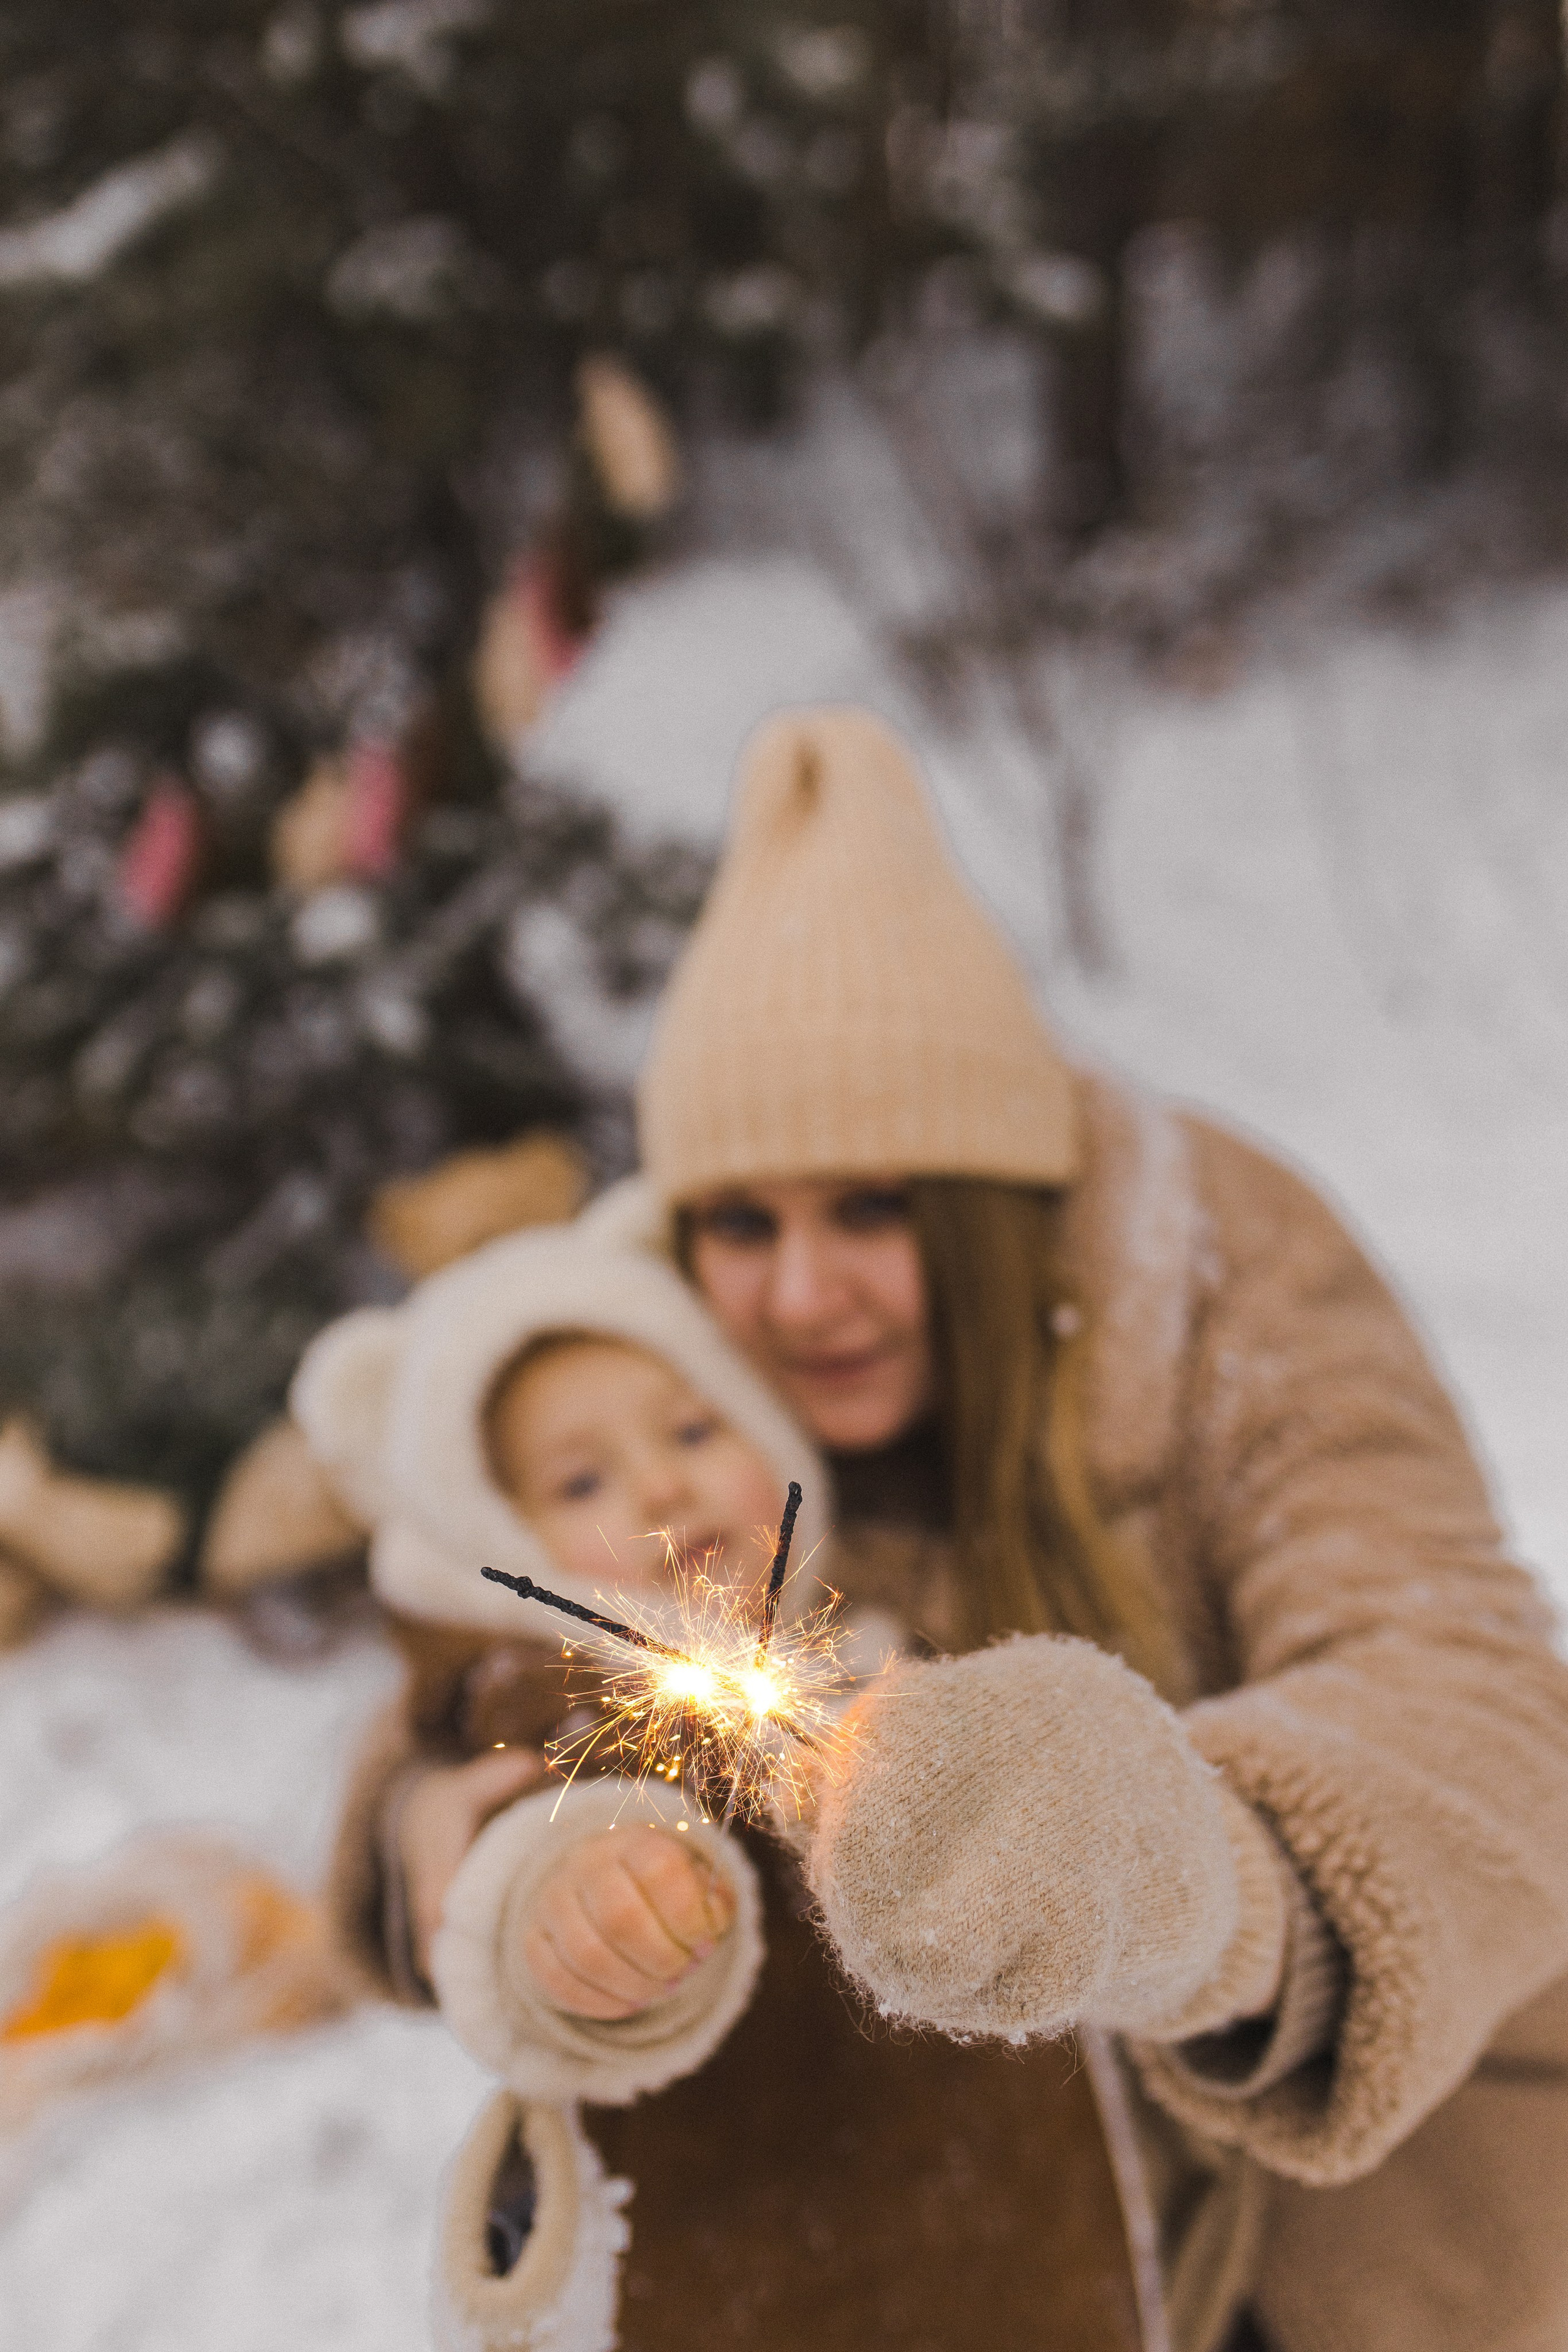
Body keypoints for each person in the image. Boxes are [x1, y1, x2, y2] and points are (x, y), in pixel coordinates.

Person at [330, 706, 1568, 2352]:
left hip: (1369, 2211)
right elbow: (503, 1640)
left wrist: (1179, 1872)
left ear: (991, 1206)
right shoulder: (683, 1386)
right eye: (743, 1222)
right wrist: (444, 1833)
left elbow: (1465, 1693)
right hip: (982, 2238)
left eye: (874, 1208)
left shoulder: (1222, 1276)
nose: (801, 1295)